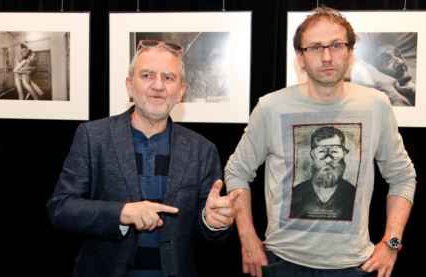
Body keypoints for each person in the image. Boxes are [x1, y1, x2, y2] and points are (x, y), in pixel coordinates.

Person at [225, 7, 416, 277]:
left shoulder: (376, 105)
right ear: (300, 57)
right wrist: (247, 238)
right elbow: (237, 172)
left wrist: (391, 243)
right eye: (315, 48)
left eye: (336, 45)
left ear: (350, 52)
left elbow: (403, 176)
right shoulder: (271, 107)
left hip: (353, 266)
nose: (327, 57)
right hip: (281, 262)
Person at [47, 39, 238, 277]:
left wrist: (213, 221)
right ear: (129, 85)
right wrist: (122, 213)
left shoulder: (202, 150)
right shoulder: (93, 137)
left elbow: (208, 232)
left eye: (169, 78)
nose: (158, 85)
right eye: (147, 75)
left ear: (181, 91)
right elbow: (61, 209)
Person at [290, 126, 355, 221]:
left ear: (343, 154)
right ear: (312, 155)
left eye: (334, 152)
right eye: (321, 152)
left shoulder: (353, 194)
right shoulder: (295, 194)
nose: (328, 160)